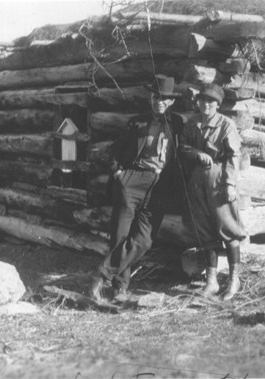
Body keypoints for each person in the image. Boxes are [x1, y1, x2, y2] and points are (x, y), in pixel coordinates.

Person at [89, 75, 184, 302]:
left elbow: (184, 152)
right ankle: (120, 287)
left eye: (163, 99)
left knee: (143, 240)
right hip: (131, 181)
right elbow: (113, 150)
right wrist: (119, 174)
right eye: (154, 97)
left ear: (171, 101)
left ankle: (100, 274)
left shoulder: (178, 124)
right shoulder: (137, 122)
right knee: (120, 236)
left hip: (158, 185)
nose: (158, 102)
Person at [179, 83, 246, 301]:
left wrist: (229, 184)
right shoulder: (193, 123)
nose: (206, 105)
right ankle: (212, 282)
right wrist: (196, 153)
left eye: (211, 102)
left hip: (219, 180)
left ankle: (234, 280)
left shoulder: (226, 125)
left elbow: (234, 155)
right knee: (204, 231)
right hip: (197, 181)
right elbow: (182, 147)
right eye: (202, 101)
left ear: (217, 105)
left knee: (228, 228)